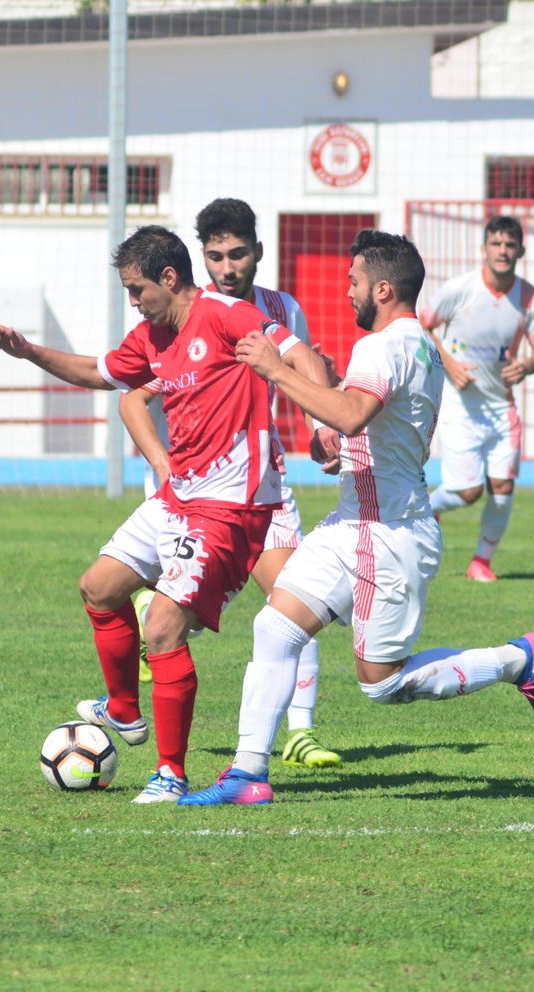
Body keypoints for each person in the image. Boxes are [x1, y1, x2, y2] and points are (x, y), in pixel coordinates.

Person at [177, 230, 534, 807]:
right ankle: (246, 775)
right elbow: (362, 424)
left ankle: (518, 659)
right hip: (352, 522)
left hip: (391, 538)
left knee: (383, 684)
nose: (347, 292)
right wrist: (337, 443)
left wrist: (278, 372)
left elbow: (354, 413)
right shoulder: (409, 344)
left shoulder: (388, 345)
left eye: (354, 282)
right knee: (273, 629)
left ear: (383, 288)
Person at [0, 225, 330, 802]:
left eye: (137, 288)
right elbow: (97, 373)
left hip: (229, 506)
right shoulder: (151, 335)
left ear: (169, 278)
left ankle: (171, 774)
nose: (134, 301)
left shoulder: (224, 314)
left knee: (165, 625)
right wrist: (28, 352)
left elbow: (299, 353)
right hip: (177, 498)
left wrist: (320, 423)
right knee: (98, 588)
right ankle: (123, 709)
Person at [85, 198, 343, 769]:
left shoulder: (276, 309)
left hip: (259, 485)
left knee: (291, 605)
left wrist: (323, 427)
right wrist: (159, 461)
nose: (228, 267)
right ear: (199, 261)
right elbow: (132, 394)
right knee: (131, 601)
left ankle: (298, 730)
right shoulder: (180, 318)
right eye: (216, 257)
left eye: (238, 254)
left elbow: (300, 367)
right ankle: (150, 671)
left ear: (258, 251)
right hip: (195, 491)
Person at [420, 215, 534, 582]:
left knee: (503, 487)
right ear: (484, 249)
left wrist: (526, 365)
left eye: (510, 245)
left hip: (500, 408)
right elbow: (421, 325)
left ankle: (481, 562)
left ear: (520, 251)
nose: (503, 251)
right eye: (496, 244)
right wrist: (450, 364)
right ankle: (426, 508)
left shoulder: (530, 298)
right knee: (468, 490)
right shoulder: (459, 289)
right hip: (460, 407)